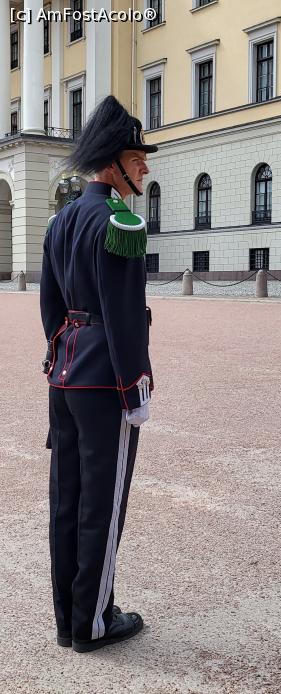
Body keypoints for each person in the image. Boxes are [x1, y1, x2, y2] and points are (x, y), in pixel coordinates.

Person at [40, 95, 158, 653]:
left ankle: (69, 620)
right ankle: (93, 623)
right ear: (113, 161)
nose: (144, 166)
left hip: (63, 375)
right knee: (102, 504)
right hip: (105, 381)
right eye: (137, 157)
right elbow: (125, 314)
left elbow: (50, 309)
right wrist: (135, 384)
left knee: (66, 499)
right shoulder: (120, 220)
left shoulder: (60, 220)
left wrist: (63, 356)